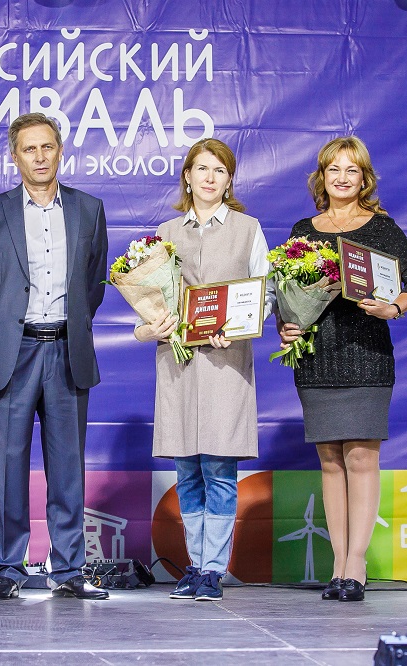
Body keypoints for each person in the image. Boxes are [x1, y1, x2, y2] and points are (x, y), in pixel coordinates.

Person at [278, 136, 407, 602]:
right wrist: (287, 325)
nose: (343, 178)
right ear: (321, 177)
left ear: (364, 178)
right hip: (317, 358)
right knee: (330, 461)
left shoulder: (381, 227)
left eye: (352, 170)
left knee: (361, 458)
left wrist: (394, 307)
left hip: (367, 354)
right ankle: (338, 563)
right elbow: (285, 292)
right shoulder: (304, 229)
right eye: (334, 169)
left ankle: (356, 565)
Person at [0, 113, 109, 601]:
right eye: (29, 149)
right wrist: (12, 324)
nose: (40, 156)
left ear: (60, 151)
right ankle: (7, 568)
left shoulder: (89, 209)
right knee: (7, 465)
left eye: (47, 146)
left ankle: (68, 569)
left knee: (68, 466)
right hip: (12, 350)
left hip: (68, 349)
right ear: (15, 157)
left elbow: (93, 285)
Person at [134, 138, 274, 601]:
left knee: (218, 467)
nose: (210, 177)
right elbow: (153, 299)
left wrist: (239, 327)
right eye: (202, 168)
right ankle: (195, 566)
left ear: (229, 180)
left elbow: (265, 293)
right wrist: (155, 325)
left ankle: (213, 569)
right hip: (179, 363)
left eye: (220, 170)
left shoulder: (248, 229)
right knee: (187, 469)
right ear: (187, 177)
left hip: (225, 363)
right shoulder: (166, 232)